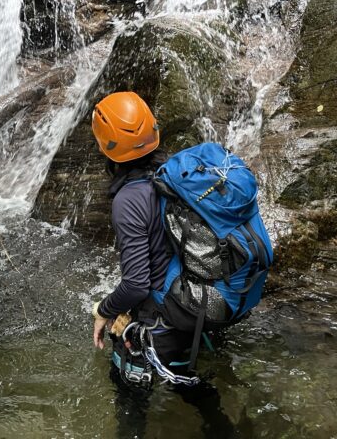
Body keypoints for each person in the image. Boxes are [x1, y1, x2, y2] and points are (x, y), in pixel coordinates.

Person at [89, 91, 237, 438]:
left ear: (107, 147)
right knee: (190, 384)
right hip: (198, 301)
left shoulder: (128, 200)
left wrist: (103, 309)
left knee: (129, 397)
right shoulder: (178, 176)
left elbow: (136, 284)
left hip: (163, 315)